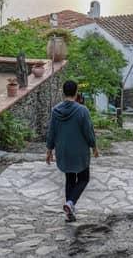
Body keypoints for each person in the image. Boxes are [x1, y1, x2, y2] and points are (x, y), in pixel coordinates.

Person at [45, 80, 98, 222]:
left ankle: (69, 212)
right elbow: (88, 131)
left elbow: (52, 131)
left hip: (63, 150)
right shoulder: (82, 110)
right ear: (76, 93)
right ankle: (70, 203)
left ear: (63, 92)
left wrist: (49, 150)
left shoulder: (56, 111)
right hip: (79, 151)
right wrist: (94, 146)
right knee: (84, 178)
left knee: (69, 179)